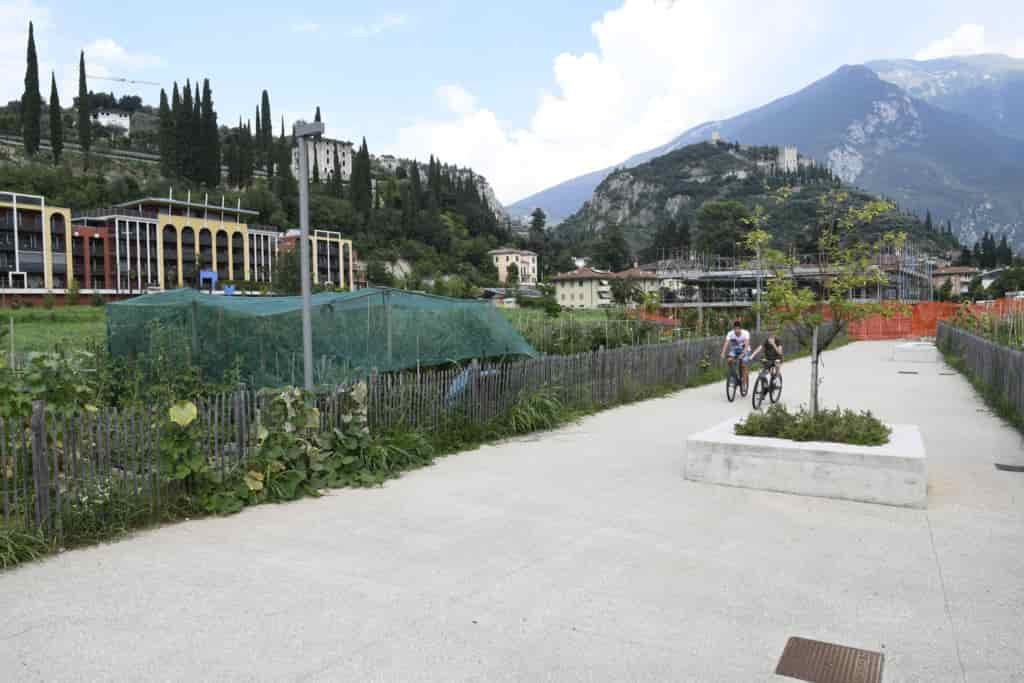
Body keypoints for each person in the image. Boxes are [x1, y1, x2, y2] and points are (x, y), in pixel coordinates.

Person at [720, 319, 751, 386]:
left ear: (740, 329)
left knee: (743, 364)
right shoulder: (730, 333)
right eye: (735, 329)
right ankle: (733, 376)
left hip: (745, 350)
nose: (736, 330)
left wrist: (743, 354)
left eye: (738, 329)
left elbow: (746, 345)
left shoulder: (745, 333)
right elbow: (726, 343)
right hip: (735, 350)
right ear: (733, 329)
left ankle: (744, 380)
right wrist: (723, 352)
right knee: (729, 360)